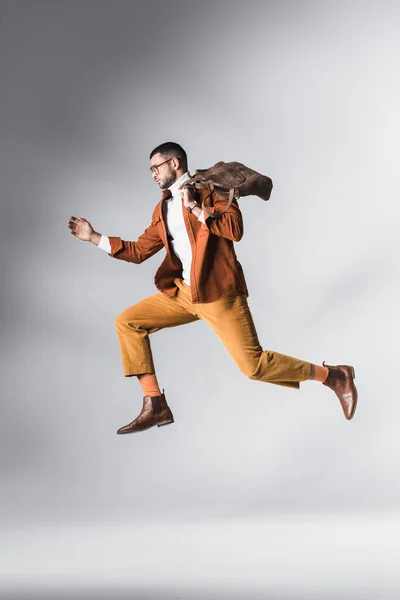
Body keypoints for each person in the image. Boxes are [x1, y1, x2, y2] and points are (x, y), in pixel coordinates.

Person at [67, 141, 358, 434]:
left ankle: (334, 376)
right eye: (151, 170)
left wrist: (196, 208)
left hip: (219, 295)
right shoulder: (162, 208)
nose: (153, 174)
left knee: (254, 367)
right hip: (183, 294)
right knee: (128, 322)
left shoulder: (211, 191)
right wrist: (94, 237)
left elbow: (235, 230)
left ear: (174, 163)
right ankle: (155, 403)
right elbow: (139, 251)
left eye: (156, 167)